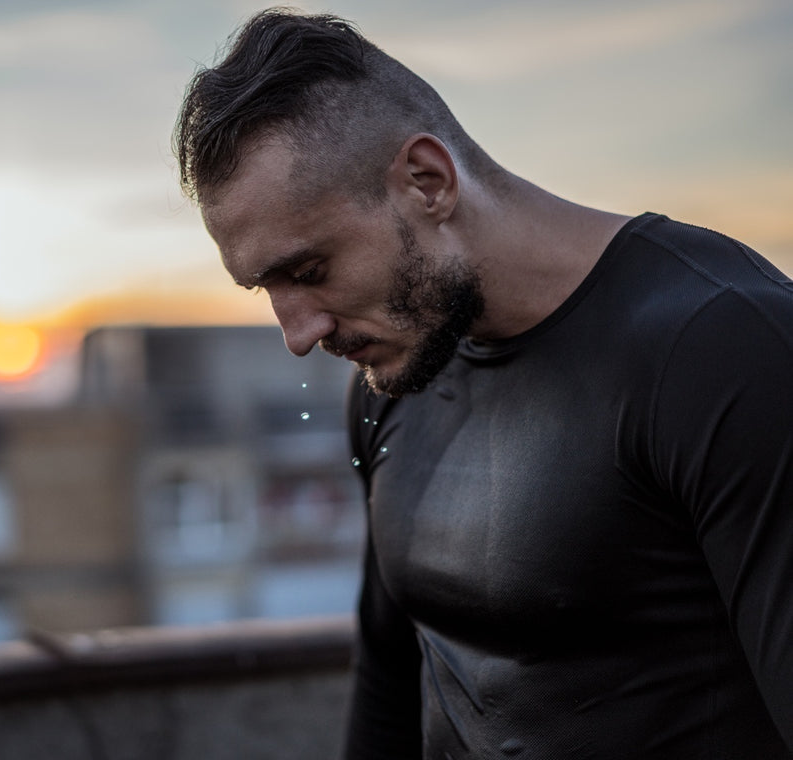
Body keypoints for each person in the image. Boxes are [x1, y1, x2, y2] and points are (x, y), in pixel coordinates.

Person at [174, 9, 793, 759]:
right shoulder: (392, 379)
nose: (298, 334)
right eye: (265, 289)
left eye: (309, 272)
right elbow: (390, 683)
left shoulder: (724, 348)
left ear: (428, 182)